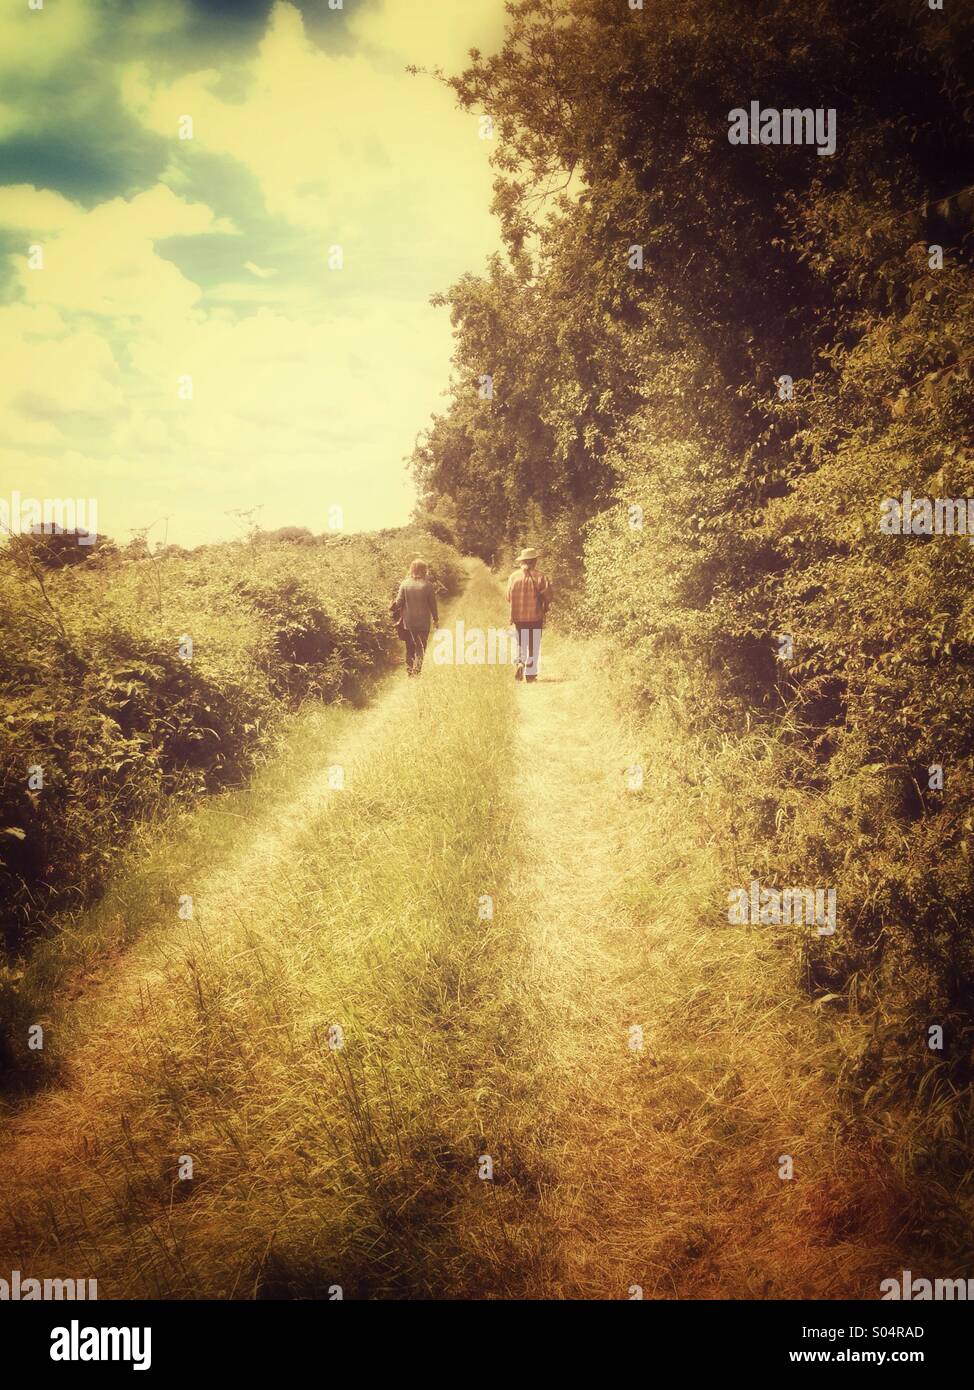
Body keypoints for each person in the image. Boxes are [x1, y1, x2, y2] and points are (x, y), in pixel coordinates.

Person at [507, 547, 552, 683]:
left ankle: (520, 662)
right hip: (535, 616)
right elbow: (549, 596)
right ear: (534, 561)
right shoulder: (540, 577)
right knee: (533, 644)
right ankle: (531, 675)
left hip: (518, 617)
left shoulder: (513, 577)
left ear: (522, 561)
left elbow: (508, 597)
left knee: (521, 642)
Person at [391, 558, 439, 677]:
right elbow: (433, 604)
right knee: (420, 649)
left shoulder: (405, 583)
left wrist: (392, 605)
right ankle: (417, 672)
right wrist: (436, 619)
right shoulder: (428, 585)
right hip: (423, 624)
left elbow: (399, 603)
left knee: (410, 648)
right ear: (424, 570)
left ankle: (409, 673)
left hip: (408, 623)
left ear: (411, 569)